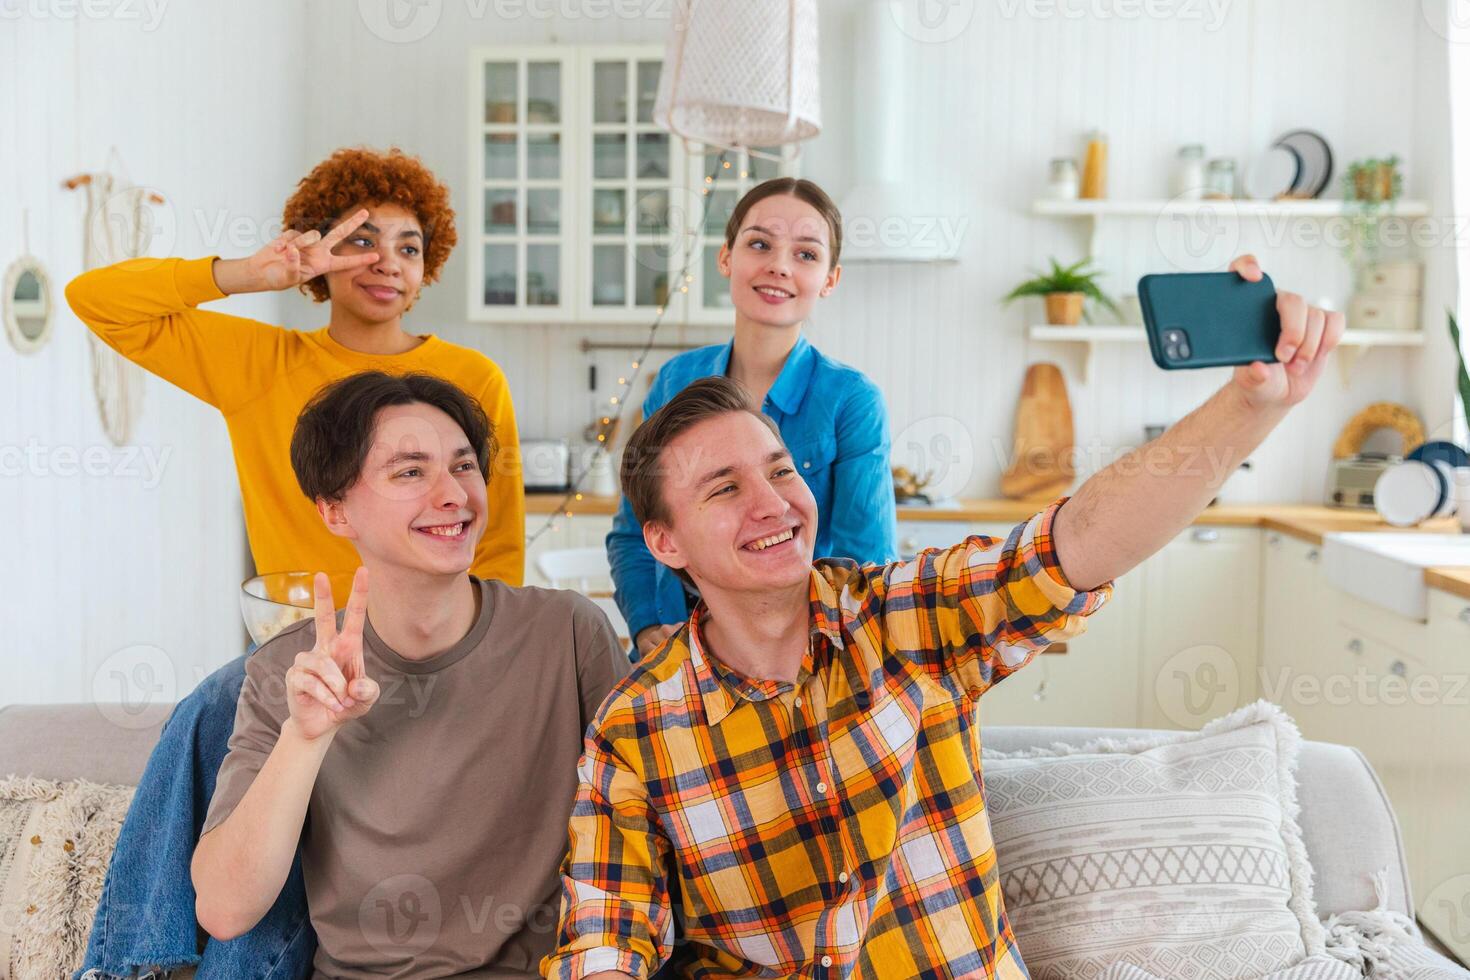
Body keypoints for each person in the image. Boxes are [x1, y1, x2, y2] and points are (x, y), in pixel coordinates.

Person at [545, 255, 1344, 978]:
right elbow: (606, 930)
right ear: (664, 542)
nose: (773, 504)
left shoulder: (903, 617)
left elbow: (1077, 544)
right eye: (724, 489)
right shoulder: (636, 726)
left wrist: (1247, 407)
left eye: (781, 470)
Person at [69, 148, 525, 979]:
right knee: (228, 718)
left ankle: (127, 968)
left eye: (409, 246)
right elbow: (94, 301)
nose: (387, 260)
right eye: (360, 240)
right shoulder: (265, 366)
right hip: (297, 660)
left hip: (423, 658)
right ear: (317, 255)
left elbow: (498, 552)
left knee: (209, 707)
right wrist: (249, 271)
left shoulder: (470, 379)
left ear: (430, 270)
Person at [187, 370, 627, 978]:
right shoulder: (287, 672)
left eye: (465, 466)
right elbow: (226, 910)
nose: (454, 495)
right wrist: (306, 737)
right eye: (411, 472)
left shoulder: (569, 634)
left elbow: (647, 833)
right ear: (336, 511)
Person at [607, 178, 897, 660]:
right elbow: (633, 530)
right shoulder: (675, 380)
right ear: (726, 258)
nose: (779, 266)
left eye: (806, 254)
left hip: (800, 662)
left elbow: (864, 568)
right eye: (760, 244)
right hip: (677, 653)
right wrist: (647, 626)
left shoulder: (851, 400)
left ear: (830, 279)